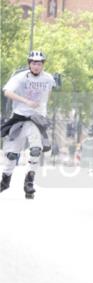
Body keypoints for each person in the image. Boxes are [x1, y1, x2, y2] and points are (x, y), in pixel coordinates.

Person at [1, 50, 56, 199]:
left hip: (36, 119)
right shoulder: (20, 78)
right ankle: (5, 180)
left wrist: (40, 109)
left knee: (36, 150)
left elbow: (48, 95)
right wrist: (26, 102)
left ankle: (29, 183)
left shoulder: (49, 79)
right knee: (12, 154)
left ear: (43, 64)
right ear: (29, 64)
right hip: (19, 118)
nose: (36, 66)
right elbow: (6, 91)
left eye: (39, 63)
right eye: (33, 63)